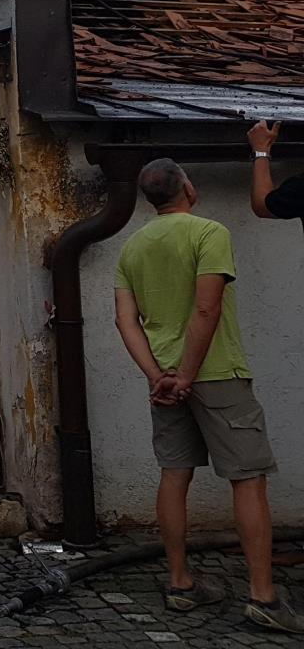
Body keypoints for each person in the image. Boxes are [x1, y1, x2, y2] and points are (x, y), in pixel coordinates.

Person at [112, 157, 302, 632]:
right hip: (216, 374)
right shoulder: (208, 232)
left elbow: (125, 321)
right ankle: (263, 597)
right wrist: (188, 375)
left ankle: (180, 584)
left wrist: (159, 376)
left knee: (174, 475)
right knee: (248, 479)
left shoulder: (132, 246)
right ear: (188, 187)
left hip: (164, 381)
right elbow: (206, 309)